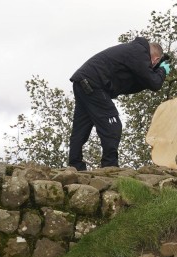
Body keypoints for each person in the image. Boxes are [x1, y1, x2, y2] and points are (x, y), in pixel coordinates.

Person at [67, 36, 170, 170]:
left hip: (83, 82)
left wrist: (156, 72)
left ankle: (75, 165)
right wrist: (162, 71)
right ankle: (110, 167)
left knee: (81, 127)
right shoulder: (139, 52)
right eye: (154, 65)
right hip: (93, 84)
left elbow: (140, 83)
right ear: (155, 59)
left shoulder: (133, 51)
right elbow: (154, 83)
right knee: (113, 125)